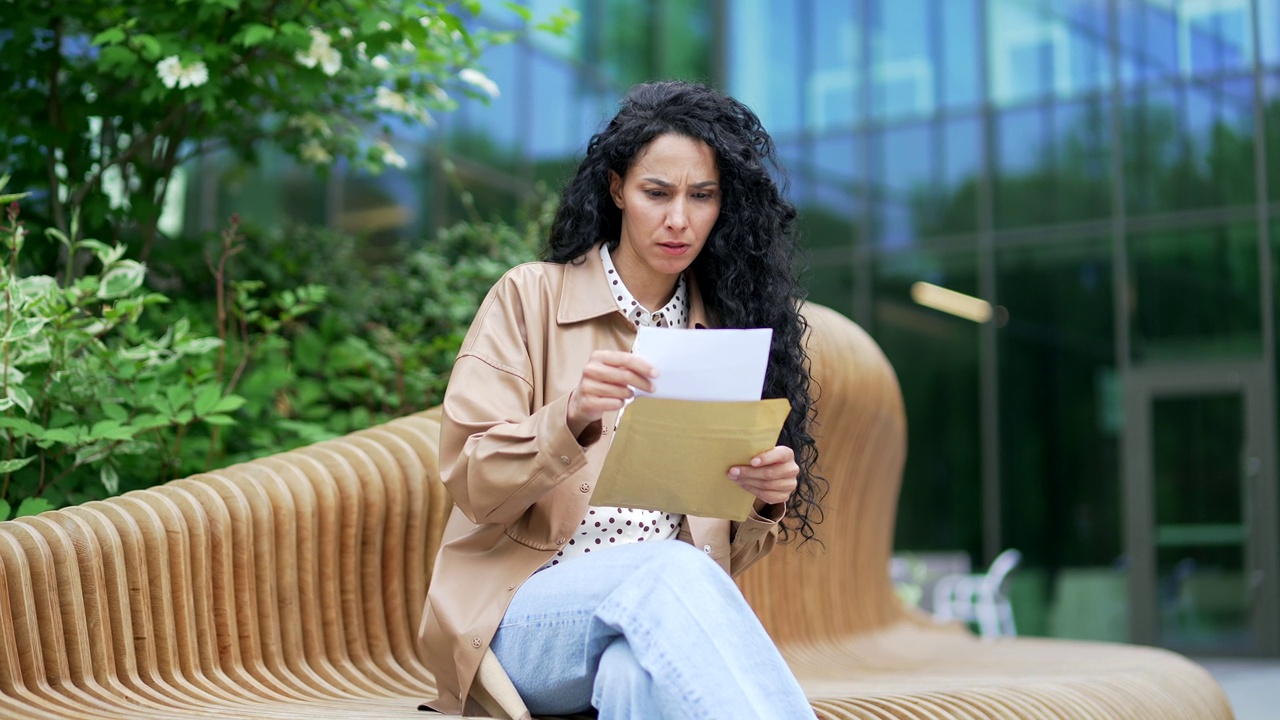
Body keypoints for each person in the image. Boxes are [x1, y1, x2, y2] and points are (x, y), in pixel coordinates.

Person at [418, 80, 824, 719]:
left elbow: (715, 562)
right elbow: (471, 481)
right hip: (519, 622)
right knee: (664, 571)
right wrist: (570, 415)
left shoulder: (720, 332)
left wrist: (763, 501)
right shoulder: (530, 298)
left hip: (648, 617)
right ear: (616, 189)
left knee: (635, 676)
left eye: (703, 196)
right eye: (656, 193)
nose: (678, 220)